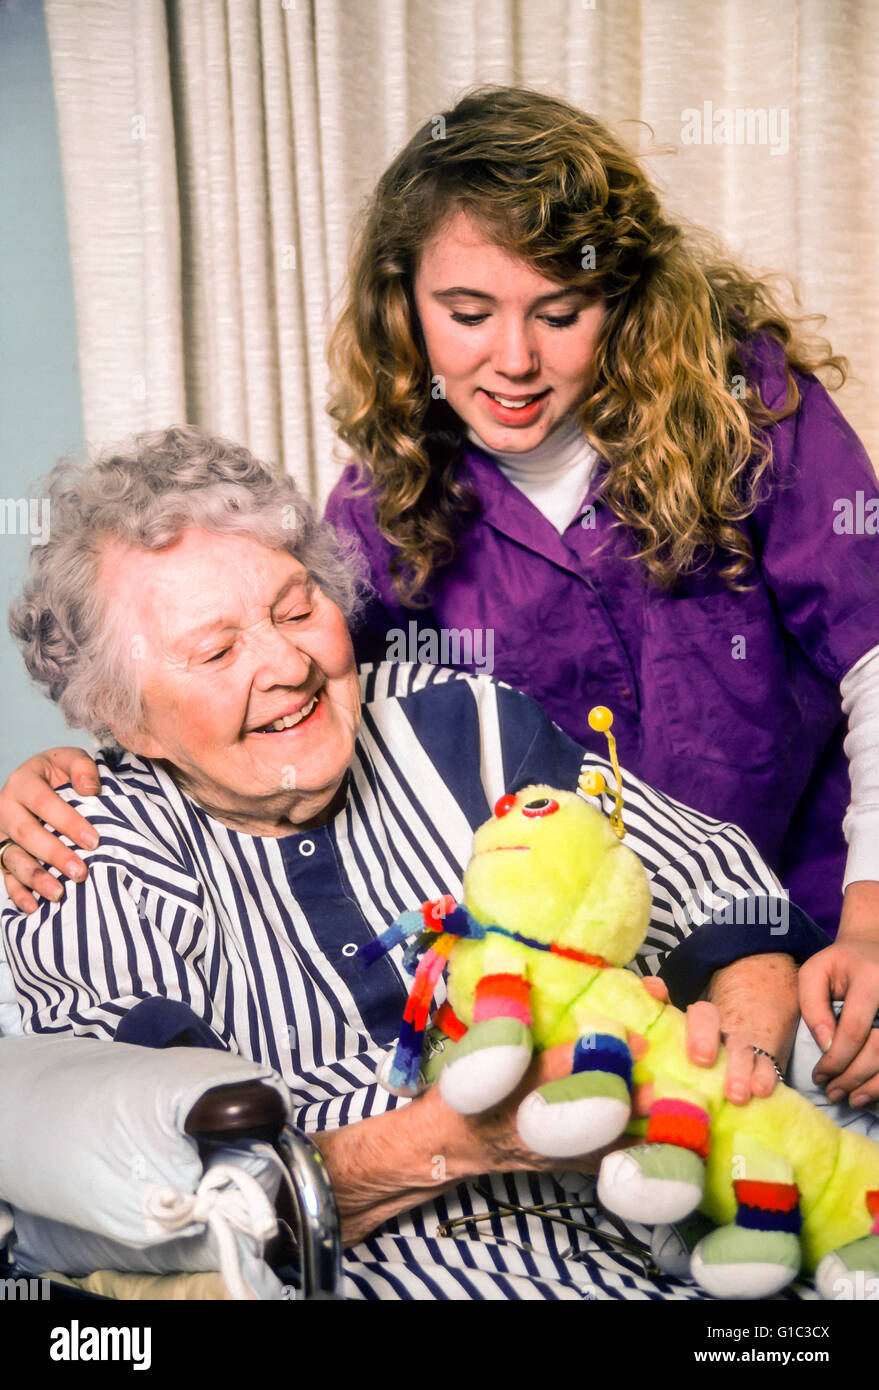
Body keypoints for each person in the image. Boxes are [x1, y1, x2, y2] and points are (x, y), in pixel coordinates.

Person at [3, 86, 878, 1101]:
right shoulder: (380, 505)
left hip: (816, 918)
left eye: (561, 313)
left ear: (624, 298)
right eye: (467, 314)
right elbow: (267, 703)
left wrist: (867, 916)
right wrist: (74, 768)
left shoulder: (747, 406)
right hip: (581, 989)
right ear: (403, 303)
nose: (513, 360)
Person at [0, 427, 817, 1301]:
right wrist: (459, 1136)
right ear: (126, 721)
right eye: (217, 651)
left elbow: (719, 890)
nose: (288, 666)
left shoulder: (463, 725)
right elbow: (145, 1170)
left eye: (295, 607)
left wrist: (729, 1084)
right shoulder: (83, 848)